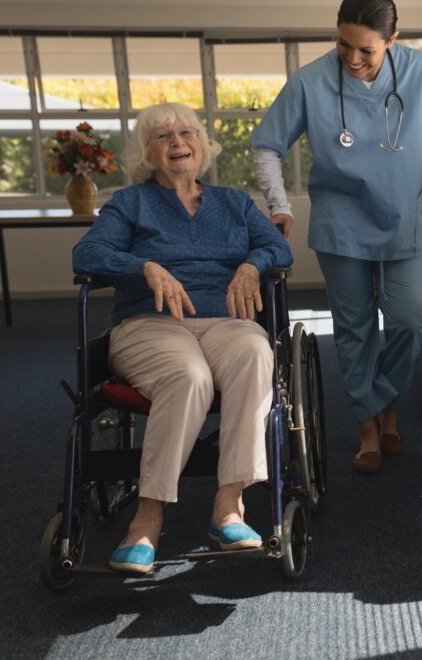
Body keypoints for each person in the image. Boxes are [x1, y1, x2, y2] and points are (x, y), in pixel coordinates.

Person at [250, 0, 422, 474]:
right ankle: (370, 426)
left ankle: (385, 404)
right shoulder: (311, 81)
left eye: (366, 49)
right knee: (355, 330)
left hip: (401, 217)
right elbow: (267, 144)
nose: (352, 58)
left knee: (408, 324)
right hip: (340, 221)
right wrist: (279, 204)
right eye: (343, 44)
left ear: (393, 39)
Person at [73, 102, 293, 574]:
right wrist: (144, 266)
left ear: (202, 145)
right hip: (150, 323)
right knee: (188, 375)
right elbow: (87, 252)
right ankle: (147, 518)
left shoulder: (234, 202)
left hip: (224, 320)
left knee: (257, 352)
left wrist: (252, 264)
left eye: (187, 132)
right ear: (146, 153)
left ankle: (229, 507)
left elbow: (278, 246)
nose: (178, 142)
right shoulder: (130, 203)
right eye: (163, 136)